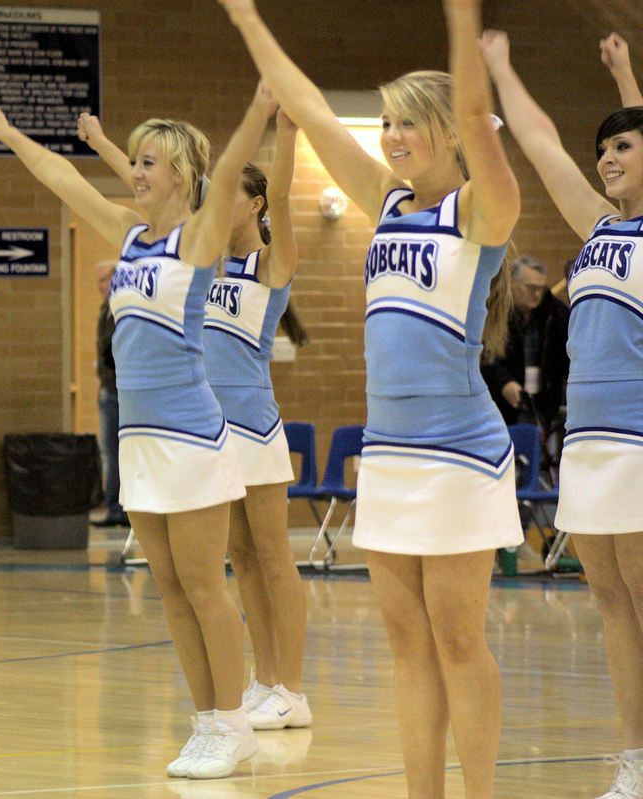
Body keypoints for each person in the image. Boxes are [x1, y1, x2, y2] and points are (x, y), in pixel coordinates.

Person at [220, 1, 521, 796]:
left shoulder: (481, 211)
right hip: (389, 454)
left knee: (458, 638)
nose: (389, 136)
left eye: (406, 122)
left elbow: (476, 114)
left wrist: (462, 21)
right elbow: (309, 104)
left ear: (449, 134)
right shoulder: (385, 201)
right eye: (384, 121)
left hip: (459, 453)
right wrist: (247, 19)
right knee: (405, 639)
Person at [0, 43, 276, 778]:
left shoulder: (198, 237)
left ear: (180, 171)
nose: (134, 172)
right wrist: (10, 132)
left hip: (192, 438)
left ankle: (233, 720)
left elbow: (231, 166)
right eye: (133, 161)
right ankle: (206, 719)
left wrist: (259, 113)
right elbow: (61, 176)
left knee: (206, 585)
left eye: (147, 161)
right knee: (169, 586)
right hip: (138, 442)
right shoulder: (129, 234)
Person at [78, 100, 312, 730]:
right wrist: (103, 141)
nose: (214, 202)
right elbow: (147, 189)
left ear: (254, 203)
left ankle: (290, 686)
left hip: (253, 426)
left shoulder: (270, 264)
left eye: (229, 194)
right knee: (235, 560)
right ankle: (261, 681)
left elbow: (286, 197)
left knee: (271, 555)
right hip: (201, 429)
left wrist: (282, 134)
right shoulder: (195, 257)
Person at [481, 28, 643, 799]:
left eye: (624, 148)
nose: (608, 159)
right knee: (609, 594)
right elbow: (544, 148)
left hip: (641, 442)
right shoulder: (602, 229)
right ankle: (633, 755)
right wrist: (504, 70)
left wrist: (627, 77)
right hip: (588, 440)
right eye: (605, 148)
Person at [480, 254, 569, 433]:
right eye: (531, 288)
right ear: (512, 283)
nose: (537, 294)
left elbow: (567, 357)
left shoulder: (557, 312)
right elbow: (487, 357)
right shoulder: (495, 312)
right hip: (503, 405)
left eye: (541, 288)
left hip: (546, 403)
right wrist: (504, 382)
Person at [92, 258, 128, 527]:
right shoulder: (105, 309)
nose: (100, 286)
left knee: (120, 453)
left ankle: (120, 508)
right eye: (99, 281)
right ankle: (113, 505)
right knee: (109, 453)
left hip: (121, 392)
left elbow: (116, 352)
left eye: (105, 280)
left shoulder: (123, 310)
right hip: (108, 389)